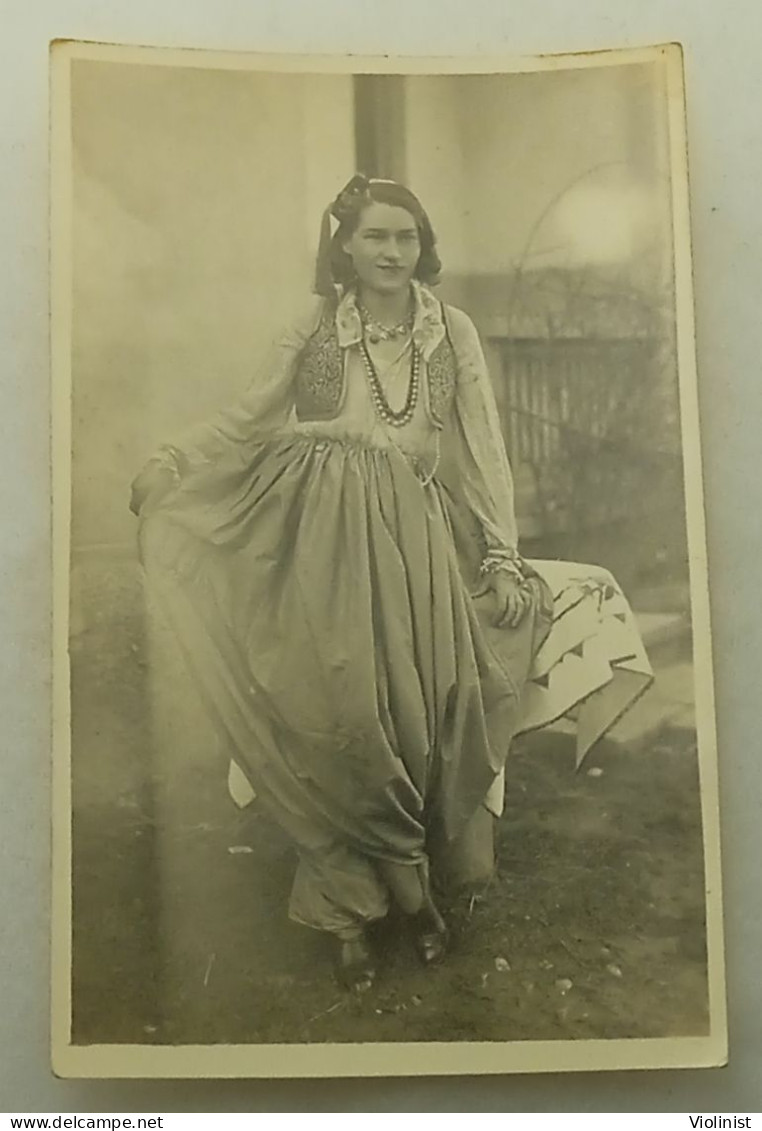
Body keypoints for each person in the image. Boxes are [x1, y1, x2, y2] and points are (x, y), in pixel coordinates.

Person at [131, 173, 649, 993]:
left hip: (417, 544)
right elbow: (248, 418)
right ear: (344, 244)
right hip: (317, 543)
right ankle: (372, 907)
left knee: (420, 713)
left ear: (423, 244)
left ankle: (391, 894)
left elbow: (483, 452)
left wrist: (504, 557)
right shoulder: (310, 325)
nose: (391, 252)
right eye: (375, 236)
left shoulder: (454, 332)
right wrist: (174, 459)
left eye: (405, 237)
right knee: (336, 715)